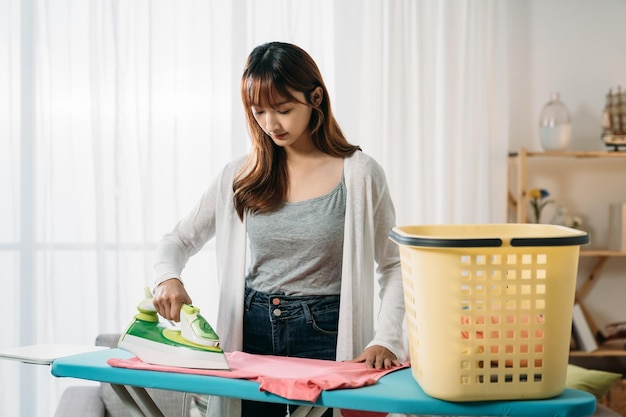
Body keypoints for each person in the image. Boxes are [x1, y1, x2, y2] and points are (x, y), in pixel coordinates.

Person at [152, 41, 406, 417]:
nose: (271, 124)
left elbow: (394, 264)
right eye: (259, 112)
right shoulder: (241, 175)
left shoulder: (360, 174)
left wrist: (386, 339)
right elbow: (179, 239)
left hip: (326, 333)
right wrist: (167, 277)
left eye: (283, 110)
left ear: (315, 98)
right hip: (250, 330)